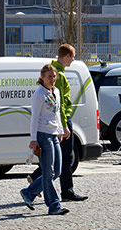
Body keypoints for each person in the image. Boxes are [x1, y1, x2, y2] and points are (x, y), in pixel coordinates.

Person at [27, 44, 88, 202]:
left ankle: (34, 184)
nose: (73, 60)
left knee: (55, 165)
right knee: (63, 160)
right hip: (57, 123)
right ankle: (63, 194)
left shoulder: (55, 72)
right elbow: (58, 107)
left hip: (57, 124)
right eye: (72, 56)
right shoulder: (57, 75)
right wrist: (64, 125)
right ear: (66, 56)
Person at [19, 64, 69, 216]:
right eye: (49, 77)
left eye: (54, 76)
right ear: (42, 78)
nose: (52, 79)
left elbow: (57, 113)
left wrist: (61, 130)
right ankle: (54, 206)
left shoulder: (56, 92)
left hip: (54, 134)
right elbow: (34, 118)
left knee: (57, 170)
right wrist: (33, 139)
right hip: (43, 134)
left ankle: (29, 192)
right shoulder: (39, 94)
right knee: (49, 171)